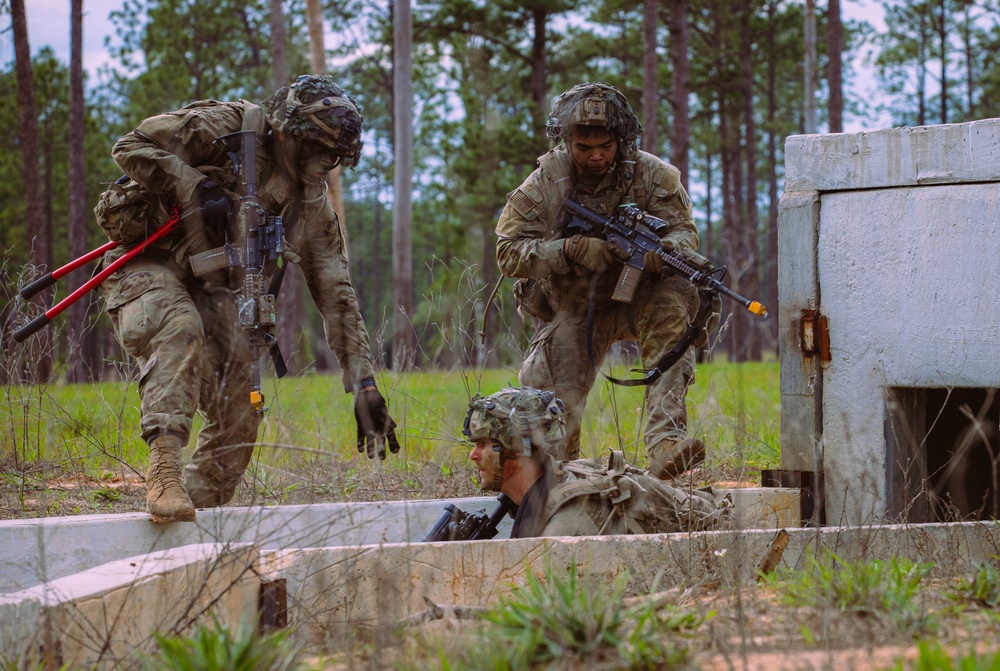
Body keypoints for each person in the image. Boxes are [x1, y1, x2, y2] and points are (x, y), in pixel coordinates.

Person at [99, 75, 399, 524]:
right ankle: (164, 471)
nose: (328, 163)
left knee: (243, 406)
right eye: (320, 149)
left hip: (211, 288)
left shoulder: (310, 201)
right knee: (180, 329)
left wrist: (364, 384)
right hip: (147, 263)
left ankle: (193, 521)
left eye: (336, 157)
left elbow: (336, 291)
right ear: (289, 133)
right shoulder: (224, 126)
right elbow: (130, 146)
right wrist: (191, 184)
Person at [494, 82, 711, 479]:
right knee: (551, 416)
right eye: (584, 147)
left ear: (622, 140)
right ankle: (566, 472)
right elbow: (508, 254)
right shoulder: (544, 182)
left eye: (605, 146)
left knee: (674, 304)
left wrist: (660, 254)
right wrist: (569, 251)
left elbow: (684, 232)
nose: (595, 156)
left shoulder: (652, 174)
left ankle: (665, 444)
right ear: (566, 141)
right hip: (575, 305)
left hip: (644, 297)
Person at [465, 387, 728, 538]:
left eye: (484, 444)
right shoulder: (549, 485)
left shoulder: (566, 526)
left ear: (518, 450)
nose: (473, 455)